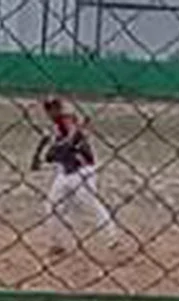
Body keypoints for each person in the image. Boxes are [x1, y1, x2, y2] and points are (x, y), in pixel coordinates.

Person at [32, 96, 117, 254]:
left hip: (82, 172)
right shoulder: (56, 126)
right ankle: (57, 243)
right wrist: (39, 157)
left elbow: (70, 137)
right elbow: (48, 144)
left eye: (54, 107)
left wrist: (59, 146)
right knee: (51, 206)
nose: (51, 112)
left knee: (90, 204)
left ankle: (111, 236)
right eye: (48, 109)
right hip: (64, 173)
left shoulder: (67, 120)